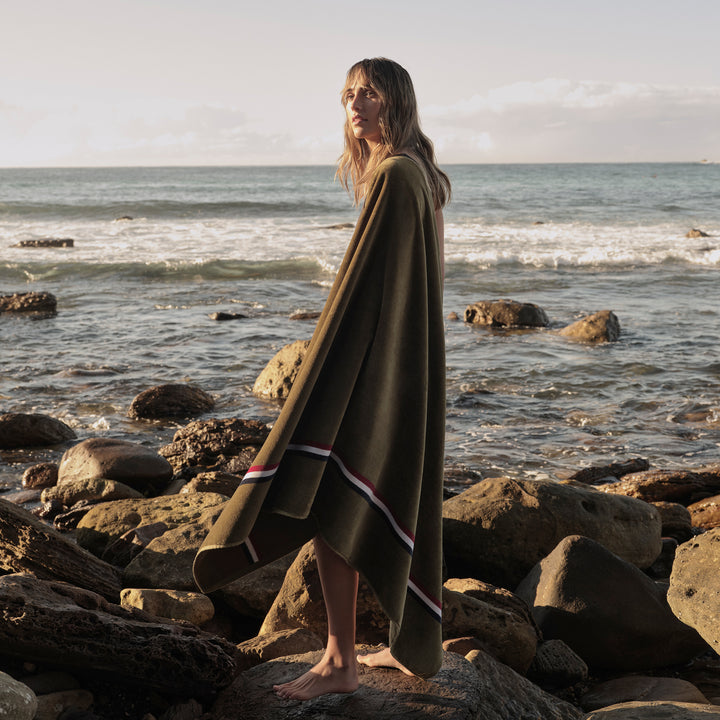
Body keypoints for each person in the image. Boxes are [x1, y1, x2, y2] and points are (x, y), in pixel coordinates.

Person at [193, 57, 450, 701]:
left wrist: (324, 366)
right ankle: (392, 642)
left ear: (397, 99)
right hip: (403, 365)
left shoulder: (395, 175)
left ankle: (340, 661)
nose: (354, 106)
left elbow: (361, 293)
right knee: (373, 495)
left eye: (368, 93)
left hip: (371, 370)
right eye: (347, 96)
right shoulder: (420, 174)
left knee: (333, 499)